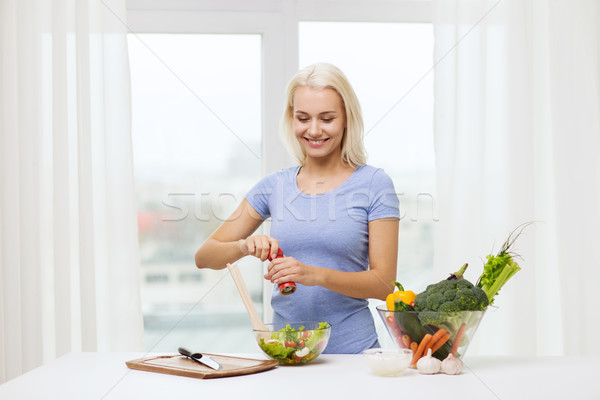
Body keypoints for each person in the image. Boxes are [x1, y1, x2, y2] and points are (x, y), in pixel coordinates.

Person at [195, 63, 399, 353]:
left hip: (354, 355)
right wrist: (244, 246)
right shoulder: (273, 187)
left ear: (346, 120)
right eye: (303, 118)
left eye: (327, 118)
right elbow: (205, 257)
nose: (313, 130)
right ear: (292, 119)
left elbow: (384, 283)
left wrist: (313, 274)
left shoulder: (374, 184)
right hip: (287, 354)